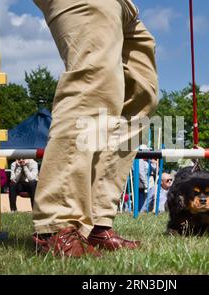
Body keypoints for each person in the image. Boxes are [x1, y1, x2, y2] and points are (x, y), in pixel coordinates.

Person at [32, 0, 158, 258]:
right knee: (93, 82)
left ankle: (97, 222)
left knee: (141, 92)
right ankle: (57, 223)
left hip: (126, 7)